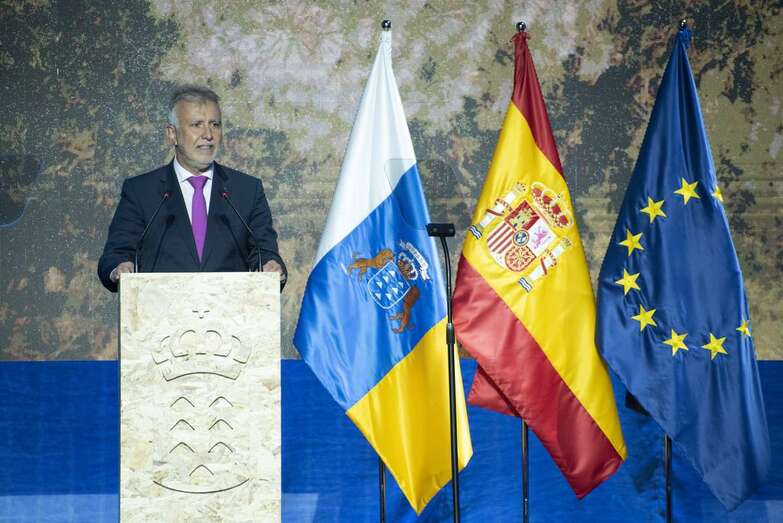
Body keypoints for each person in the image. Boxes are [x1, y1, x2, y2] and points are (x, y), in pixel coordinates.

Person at [97, 86, 286, 292]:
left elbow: (264, 252)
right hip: (160, 314)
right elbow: (116, 254)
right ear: (172, 134)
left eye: (215, 125)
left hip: (230, 315)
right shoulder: (141, 191)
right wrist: (119, 268)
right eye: (197, 125)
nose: (208, 135)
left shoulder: (247, 190)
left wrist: (271, 266)